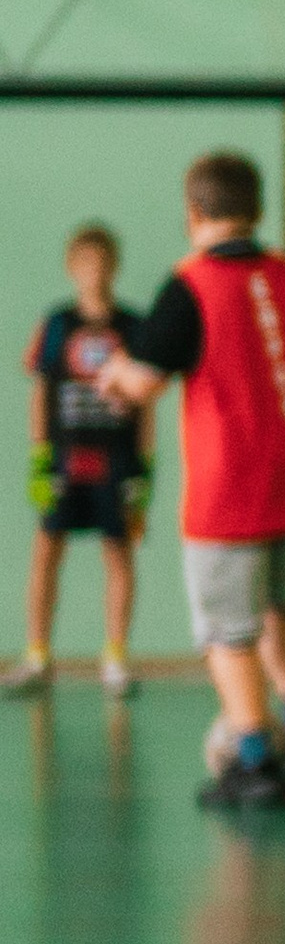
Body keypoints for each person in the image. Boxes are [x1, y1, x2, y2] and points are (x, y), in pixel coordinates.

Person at [104, 151, 285, 809]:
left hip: (230, 492)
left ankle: (254, 755)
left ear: (193, 214)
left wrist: (114, 378)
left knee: (225, 630)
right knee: (278, 609)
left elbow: (144, 378)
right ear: (258, 209)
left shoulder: (191, 285)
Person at [7, 222, 158, 697]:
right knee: (47, 551)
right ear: (72, 269)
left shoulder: (134, 327)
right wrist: (38, 459)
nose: (94, 271)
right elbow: (39, 393)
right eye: (85, 263)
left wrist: (146, 470)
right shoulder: (56, 325)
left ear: (113, 266)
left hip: (116, 460)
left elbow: (146, 400)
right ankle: (37, 657)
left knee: (119, 552)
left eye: (103, 262)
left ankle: (114, 657)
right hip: (65, 460)